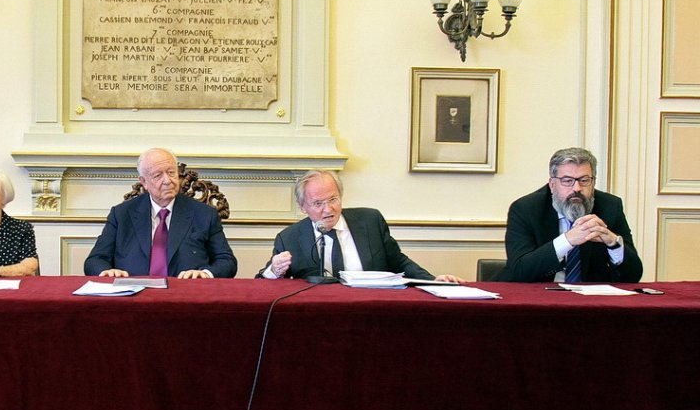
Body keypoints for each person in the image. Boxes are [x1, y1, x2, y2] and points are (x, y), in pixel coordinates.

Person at [258, 169, 461, 282]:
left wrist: (433, 280)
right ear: (303, 207)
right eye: (318, 204)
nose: (328, 210)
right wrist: (274, 271)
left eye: (333, 199)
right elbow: (262, 282)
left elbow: (399, 263)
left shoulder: (370, 221)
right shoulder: (290, 237)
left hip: (373, 312)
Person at [84, 148, 237, 279]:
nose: (168, 180)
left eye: (171, 172)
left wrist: (205, 273)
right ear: (144, 182)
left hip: (186, 297)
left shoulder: (205, 214)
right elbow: (95, 260)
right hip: (132, 298)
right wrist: (107, 272)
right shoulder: (122, 214)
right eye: (158, 175)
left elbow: (227, 261)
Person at [498, 147, 643, 283]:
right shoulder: (526, 209)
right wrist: (567, 240)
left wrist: (613, 243)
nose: (577, 188)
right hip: (539, 297)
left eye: (584, 180)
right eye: (567, 181)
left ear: (593, 182)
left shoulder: (610, 206)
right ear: (552, 184)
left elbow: (633, 276)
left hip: (591, 301)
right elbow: (519, 270)